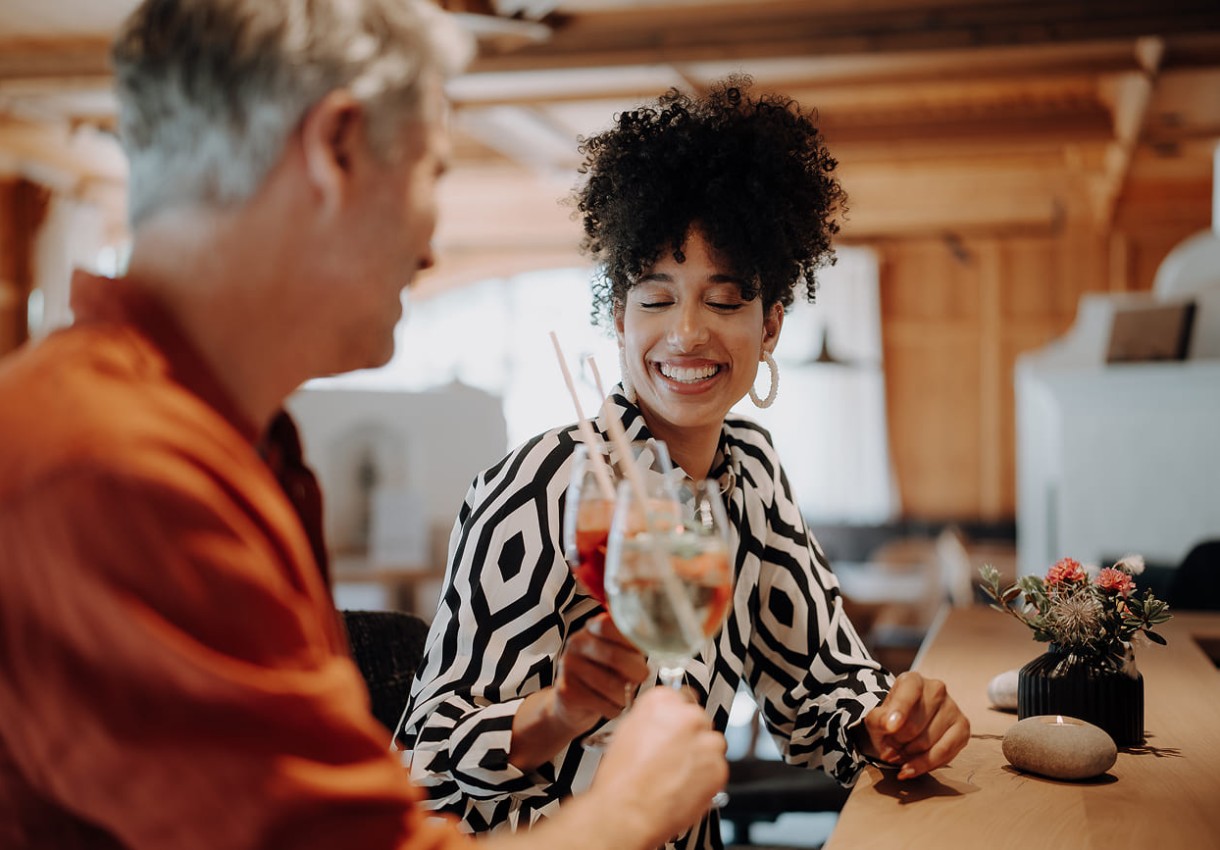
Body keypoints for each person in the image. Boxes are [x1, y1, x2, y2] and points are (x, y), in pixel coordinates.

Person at [0, 2, 728, 849]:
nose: (430, 249)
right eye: (432, 173)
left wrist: (557, 717)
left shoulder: (216, 443)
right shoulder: (116, 468)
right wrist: (630, 808)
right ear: (336, 148)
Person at [402, 78, 971, 849]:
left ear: (770, 326)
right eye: (657, 298)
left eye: (725, 300)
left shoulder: (752, 474)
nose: (687, 333)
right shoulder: (544, 485)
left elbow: (818, 685)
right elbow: (425, 760)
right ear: (619, 316)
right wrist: (557, 713)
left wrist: (891, 721)